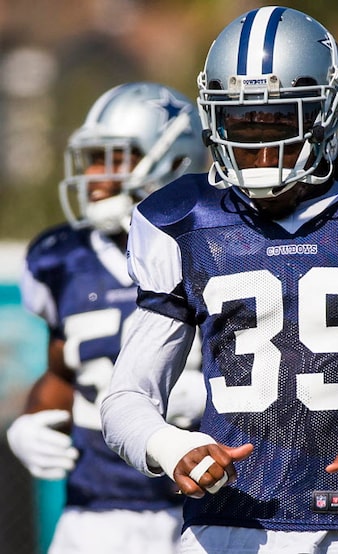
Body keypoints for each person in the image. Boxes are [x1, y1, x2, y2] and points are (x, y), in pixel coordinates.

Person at [100, 7, 338, 554]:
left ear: (324, 114)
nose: (257, 148)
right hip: (225, 526)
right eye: (239, 124)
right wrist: (168, 444)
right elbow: (127, 396)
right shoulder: (185, 220)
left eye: (277, 123)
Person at [6, 81, 208, 554]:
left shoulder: (217, 245)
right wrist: (33, 421)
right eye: (91, 157)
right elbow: (62, 371)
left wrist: (204, 395)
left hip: (201, 504)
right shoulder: (60, 258)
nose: (94, 174)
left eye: (112, 157)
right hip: (93, 510)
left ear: (173, 160)